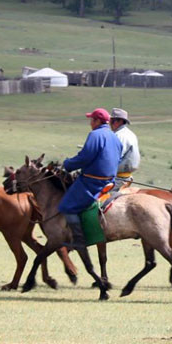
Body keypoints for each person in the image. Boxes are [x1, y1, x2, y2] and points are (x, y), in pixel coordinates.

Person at [59, 107, 122, 251]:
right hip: (110, 182)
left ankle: (78, 240)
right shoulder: (114, 137)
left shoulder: (95, 135)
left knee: (67, 205)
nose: (90, 123)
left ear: (97, 121)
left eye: (91, 120)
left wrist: (68, 164)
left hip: (93, 183)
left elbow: (85, 157)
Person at [109, 107, 141, 189]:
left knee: (99, 199)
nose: (110, 123)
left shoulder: (120, 136)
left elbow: (114, 157)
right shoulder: (129, 133)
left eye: (111, 120)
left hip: (118, 179)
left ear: (118, 121)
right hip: (125, 177)